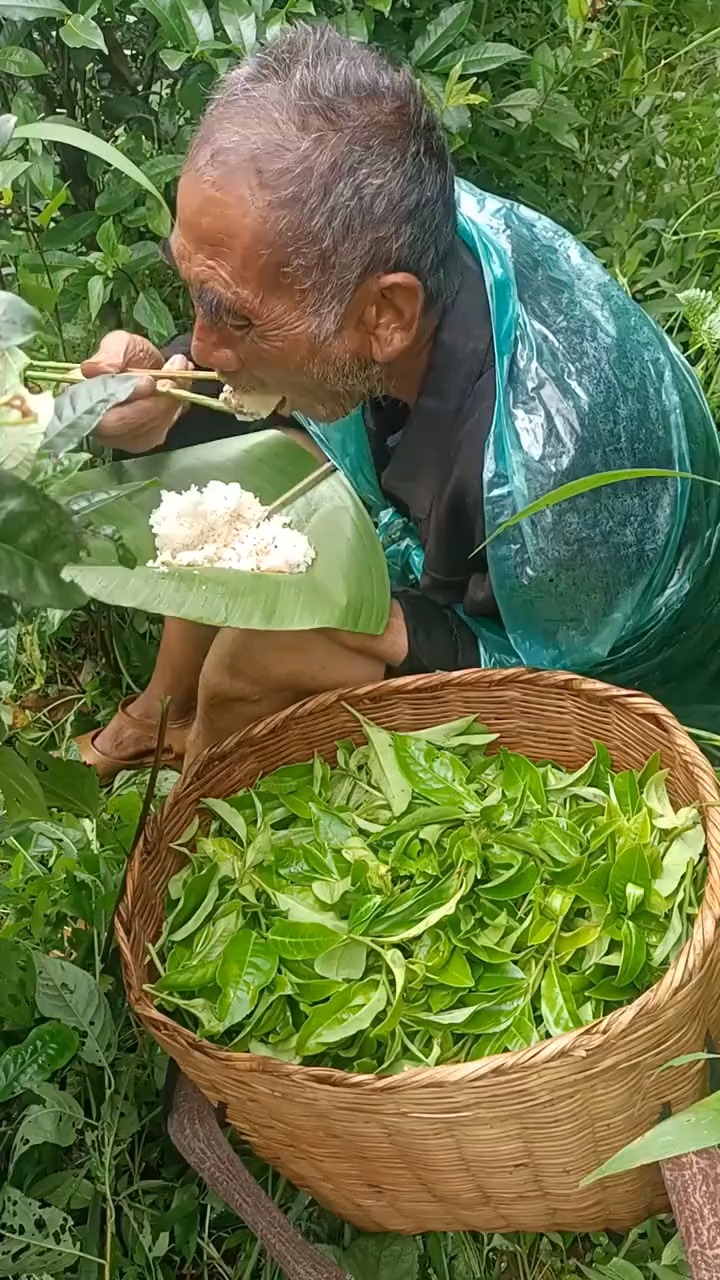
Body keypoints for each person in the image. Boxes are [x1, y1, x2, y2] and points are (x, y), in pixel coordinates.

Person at [76, 24, 720, 778]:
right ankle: (158, 714)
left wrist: (372, 621)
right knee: (219, 493)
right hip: (465, 533)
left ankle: (203, 805)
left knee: (246, 667)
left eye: (232, 317)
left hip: (584, 660)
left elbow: (548, 681)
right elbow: (249, 328)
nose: (202, 345)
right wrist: (167, 393)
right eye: (196, 293)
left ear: (386, 316)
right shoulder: (382, 231)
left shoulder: (549, 481)